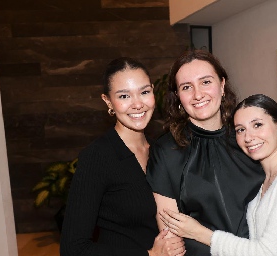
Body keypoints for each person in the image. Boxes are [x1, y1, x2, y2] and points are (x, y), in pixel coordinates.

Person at [146, 50, 277, 255]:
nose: (197, 94)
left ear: (222, 85)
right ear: (178, 96)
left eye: (205, 82)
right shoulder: (167, 149)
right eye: (186, 87)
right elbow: (170, 236)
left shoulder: (247, 136)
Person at [160, 93, 277, 255]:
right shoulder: (262, 177)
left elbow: (268, 253)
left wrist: (200, 233)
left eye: (257, 125)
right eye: (240, 130)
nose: (248, 137)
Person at [60, 57, 185, 256]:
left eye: (144, 92)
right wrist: (149, 255)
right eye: (124, 96)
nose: (138, 104)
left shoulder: (162, 150)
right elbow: (73, 248)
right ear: (108, 101)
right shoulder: (97, 158)